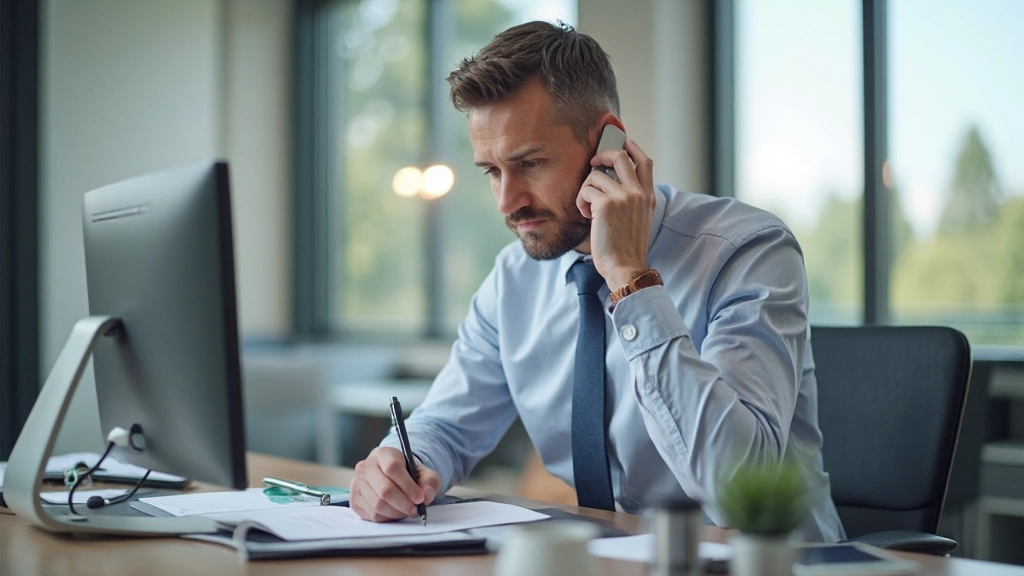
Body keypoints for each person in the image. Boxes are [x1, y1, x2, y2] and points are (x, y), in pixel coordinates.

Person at [349, 20, 845, 542]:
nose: (506, 202)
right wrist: (401, 468)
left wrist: (631, 279)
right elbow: (445, 428)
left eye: (530, 163)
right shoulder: (513, 282)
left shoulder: (748, 250)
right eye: (492, 172)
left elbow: (744, 488)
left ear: (607, 142)